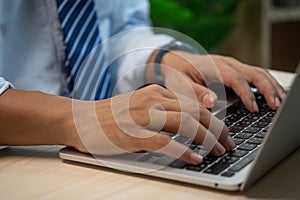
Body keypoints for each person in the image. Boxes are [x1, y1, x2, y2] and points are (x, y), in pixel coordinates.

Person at [0, 0, 285, 165]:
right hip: (20, 161)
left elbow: (120, 28)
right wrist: (78, 119)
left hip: (99, 156)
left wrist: (164, 59)